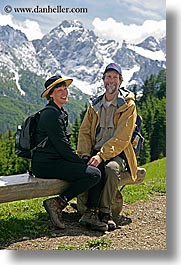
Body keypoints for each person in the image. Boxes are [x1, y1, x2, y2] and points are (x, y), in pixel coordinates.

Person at [31, 74, 108, 232]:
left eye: (65, 88)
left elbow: (63, 148)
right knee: (93, 173)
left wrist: (83, 161)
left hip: (54, 161)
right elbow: (63, 147)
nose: (64, 92)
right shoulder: (51, 115)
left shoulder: (59, 112)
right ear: (51, 95)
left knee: (97, 169)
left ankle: (91, 213)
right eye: (59, 90)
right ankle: (58, 203)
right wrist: (82, 162)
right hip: (46, 165)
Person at [77, 63, 146, 230]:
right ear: (103, 80)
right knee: (92, 166)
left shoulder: (128, 105)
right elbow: (84, 133)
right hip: (96, 151)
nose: (111, 81)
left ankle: (105, 212)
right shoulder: (95, 105)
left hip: (120, 153)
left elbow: (123, 137)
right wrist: (85, 155)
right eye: (108, 77)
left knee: (111, 169)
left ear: (120, 81)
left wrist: (101, 155)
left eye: (115, 77)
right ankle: (91, 212)